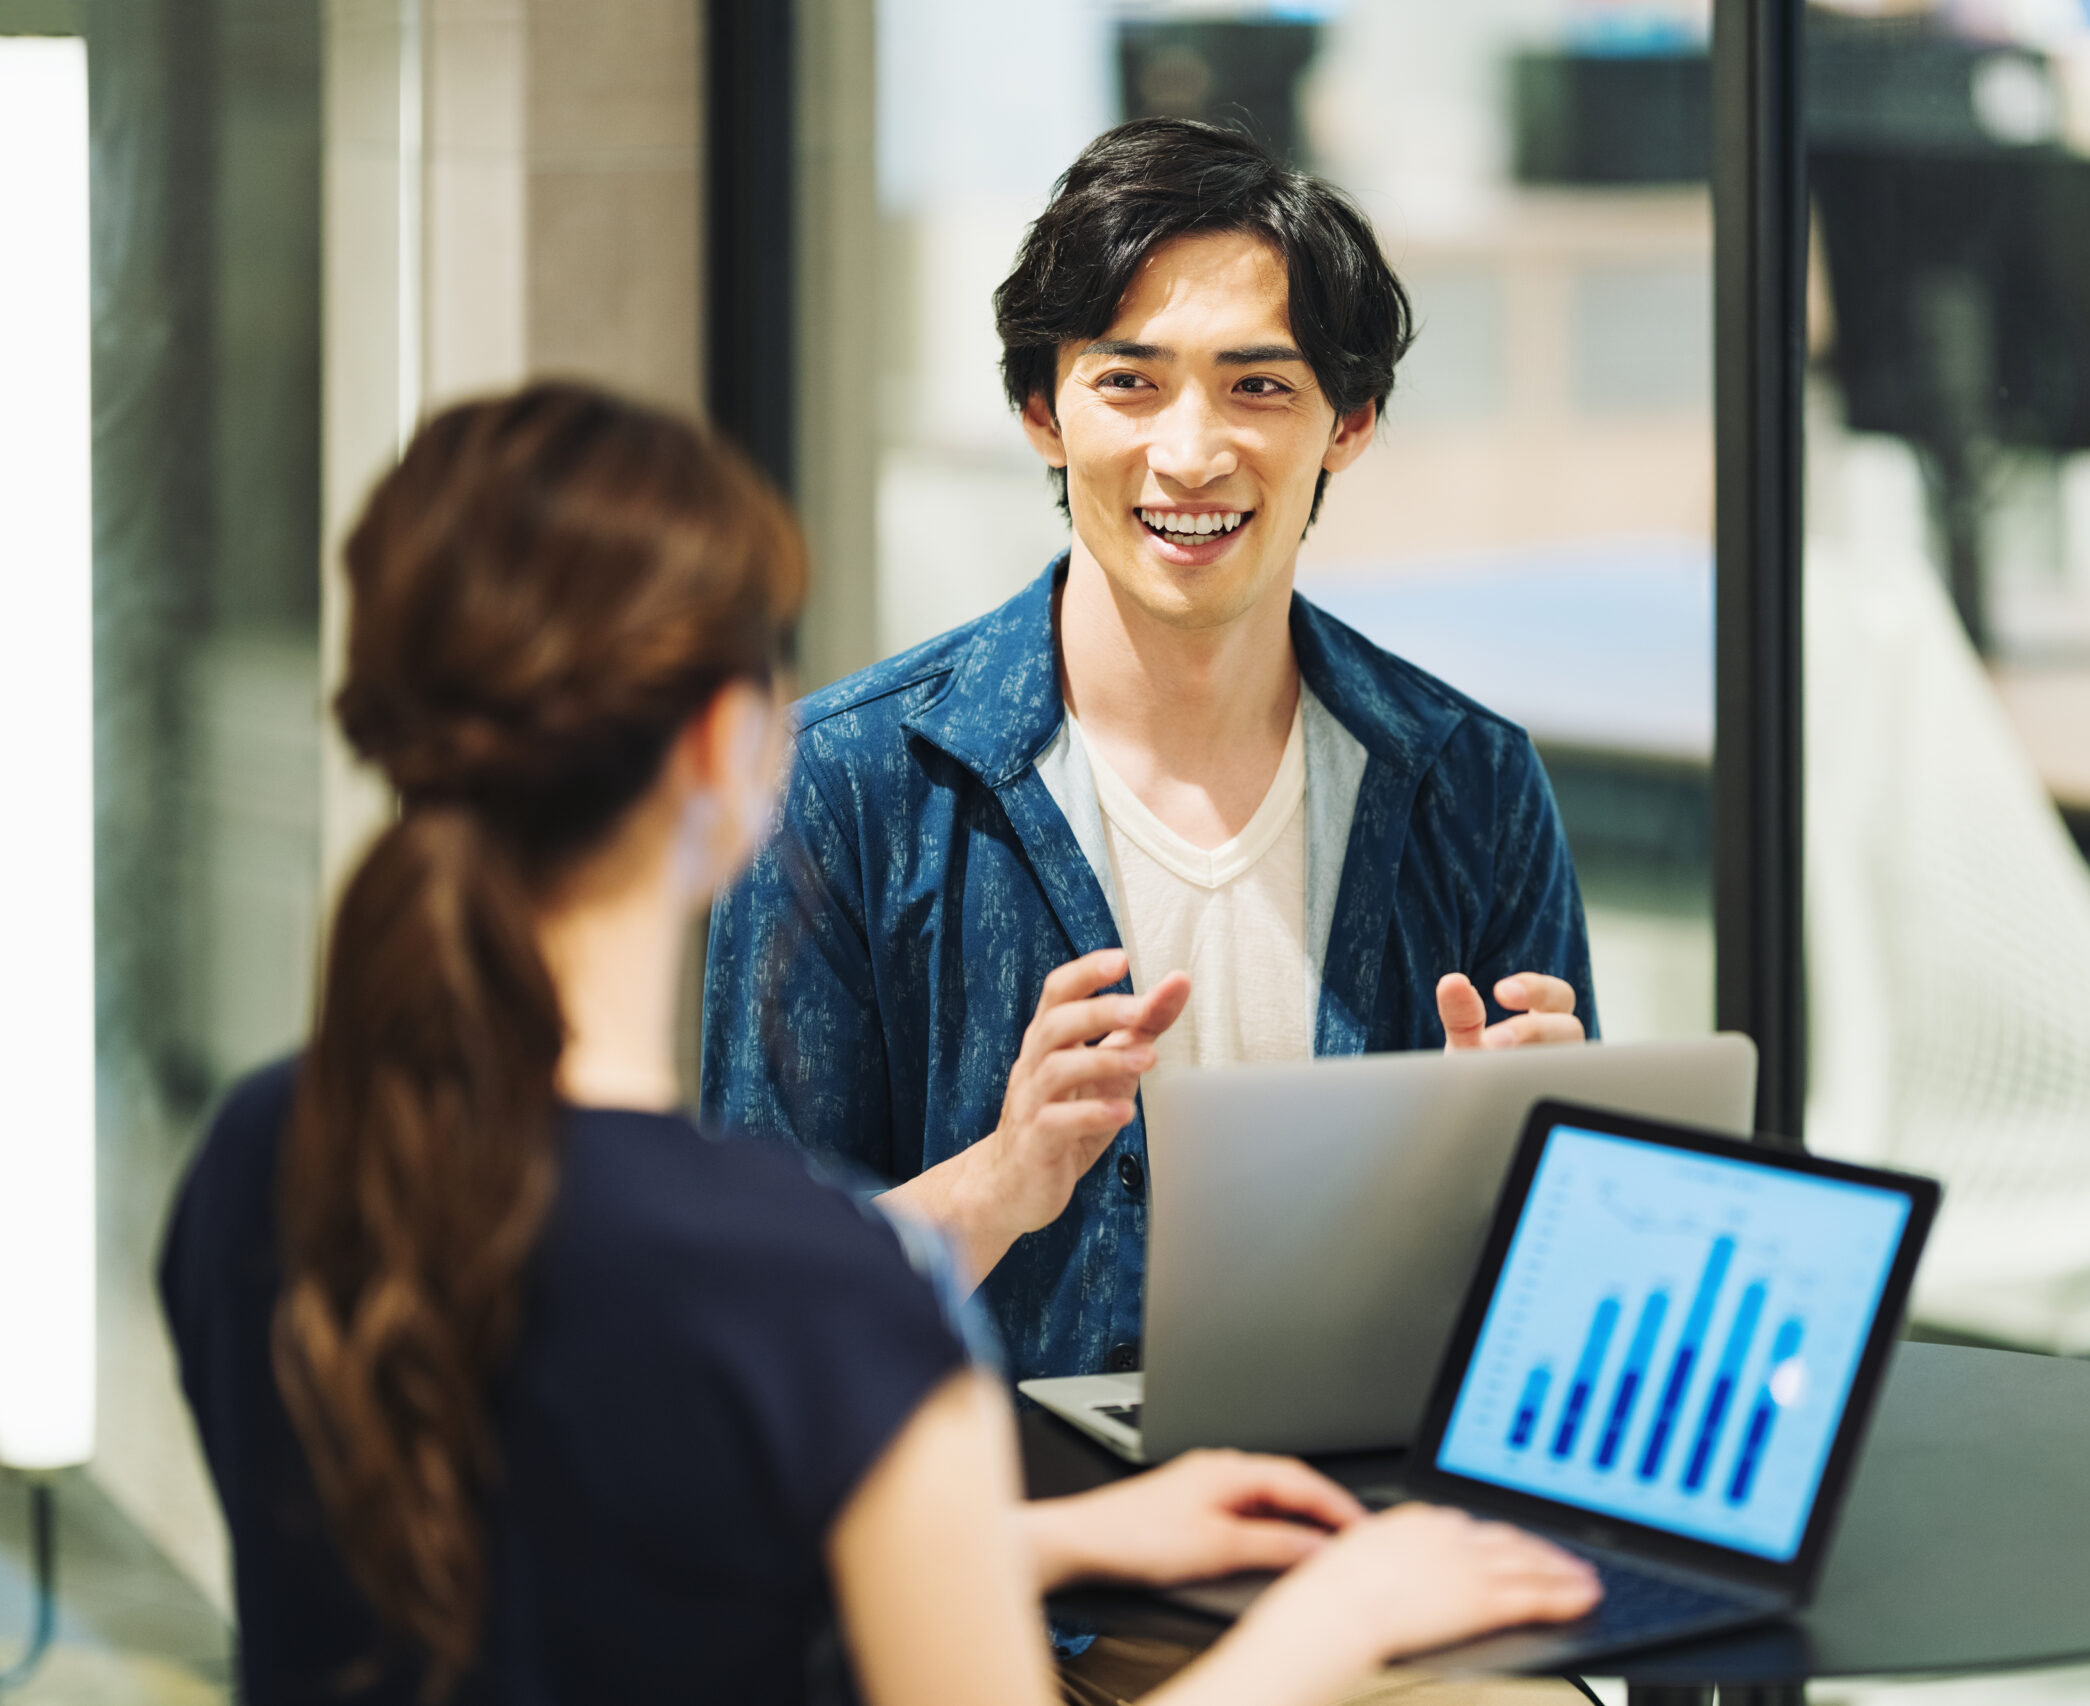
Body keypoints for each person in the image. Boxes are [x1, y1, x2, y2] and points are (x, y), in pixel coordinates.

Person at [156, 384, 1599, 1704]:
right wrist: (1338, 1619)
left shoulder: (263, 1157)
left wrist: (1055, 1531)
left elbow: (609, 1566)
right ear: (733, 756)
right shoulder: (814, 1292)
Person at [701, 117, 1599, 1385]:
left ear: (1348, 423)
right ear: (1040, 409)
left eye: (1260, 385)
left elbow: (1570, 1313)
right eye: (1128, 381)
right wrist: (1005, 1179)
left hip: (1362, 1535)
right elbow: (746, 1315)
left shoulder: (1471, 782)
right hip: (999, 1555)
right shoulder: (842, 785)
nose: (1189, 451)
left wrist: (1524, 1179)